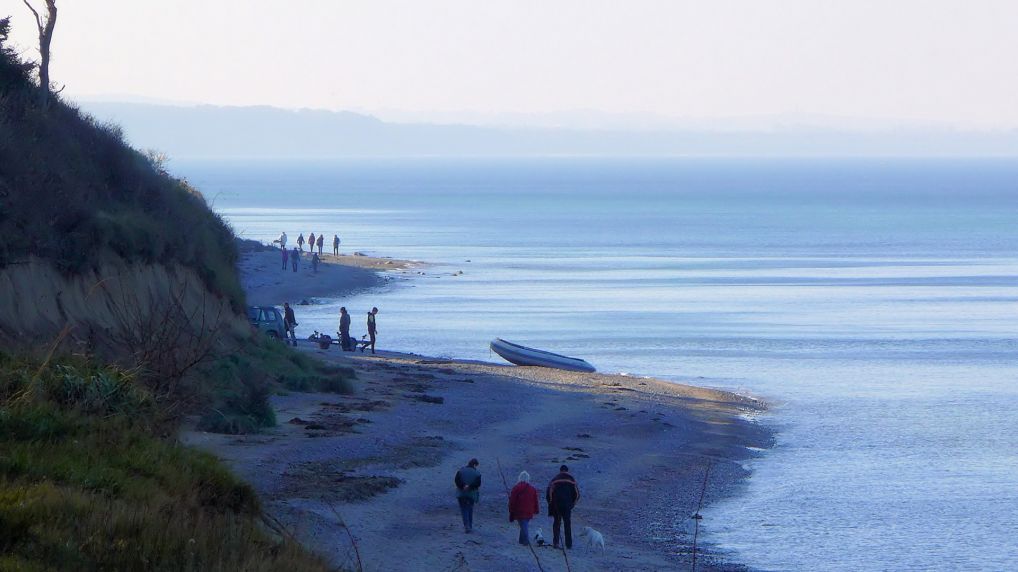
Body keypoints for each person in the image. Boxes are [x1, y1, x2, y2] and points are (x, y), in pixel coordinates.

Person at [546, 465, 580, 549]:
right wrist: (572, 504)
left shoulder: (554, 479)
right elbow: (577, 495)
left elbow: (548, 493)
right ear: (567, 471)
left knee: (557, 523)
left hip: (556, 504)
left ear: (560, 470)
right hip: (567, 505)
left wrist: (551, 503)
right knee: (567, 524)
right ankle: (568, 544)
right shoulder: (572, 480)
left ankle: (556, 543)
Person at [509, 471, 540, 546]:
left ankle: (525, 540)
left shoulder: (516, 488)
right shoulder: (532, 489)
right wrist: (536, 510)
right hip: (529, 510)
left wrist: (511, 509)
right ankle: (522, 540)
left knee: (523, 524)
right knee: (524, 524)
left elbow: (512, 500)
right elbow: (536, 500)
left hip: (519, 509)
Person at [454, 459, 482, 533]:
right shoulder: (477, 473)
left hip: (461, 493)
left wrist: (463, 486)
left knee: (464, 509)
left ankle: (467, 526)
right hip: (471, 494)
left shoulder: (460, 471)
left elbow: (457, 481)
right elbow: (478, 484)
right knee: (470, 509)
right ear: (475, 465)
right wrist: (469, 486)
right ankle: (469, 525)